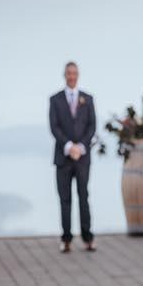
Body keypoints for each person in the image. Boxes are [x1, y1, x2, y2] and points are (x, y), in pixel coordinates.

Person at [49, 62, 96, 253]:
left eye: (74, 73)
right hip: (63, 157)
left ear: (78, 75)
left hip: (83, 158)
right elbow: (54, 127)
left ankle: (87, 237)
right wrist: (69, 147)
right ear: (64, 75)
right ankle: (66, 239)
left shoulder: (88, 98)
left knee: (84, 196)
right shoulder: (55, 99)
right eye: (69, 73)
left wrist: (81, 147)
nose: (72, 76)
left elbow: (92, 126)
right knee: (65, 199)